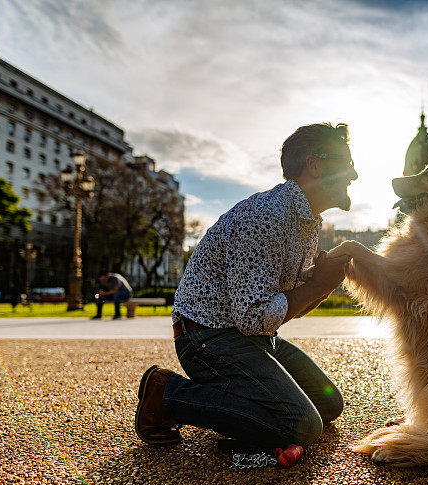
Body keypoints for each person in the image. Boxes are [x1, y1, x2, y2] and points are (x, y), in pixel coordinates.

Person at [134, 122, 358, 450]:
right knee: (301, 424)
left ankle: (229, 403)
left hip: (249, 337)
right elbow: (254, 316)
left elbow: (276, 310)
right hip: (206, 339)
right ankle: (167, 394)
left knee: (328, 405)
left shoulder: (305, 221)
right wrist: (317, 286)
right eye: (347, 163)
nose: (353, 175)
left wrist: (320, 287)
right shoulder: (267, 216)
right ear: (315, 165)